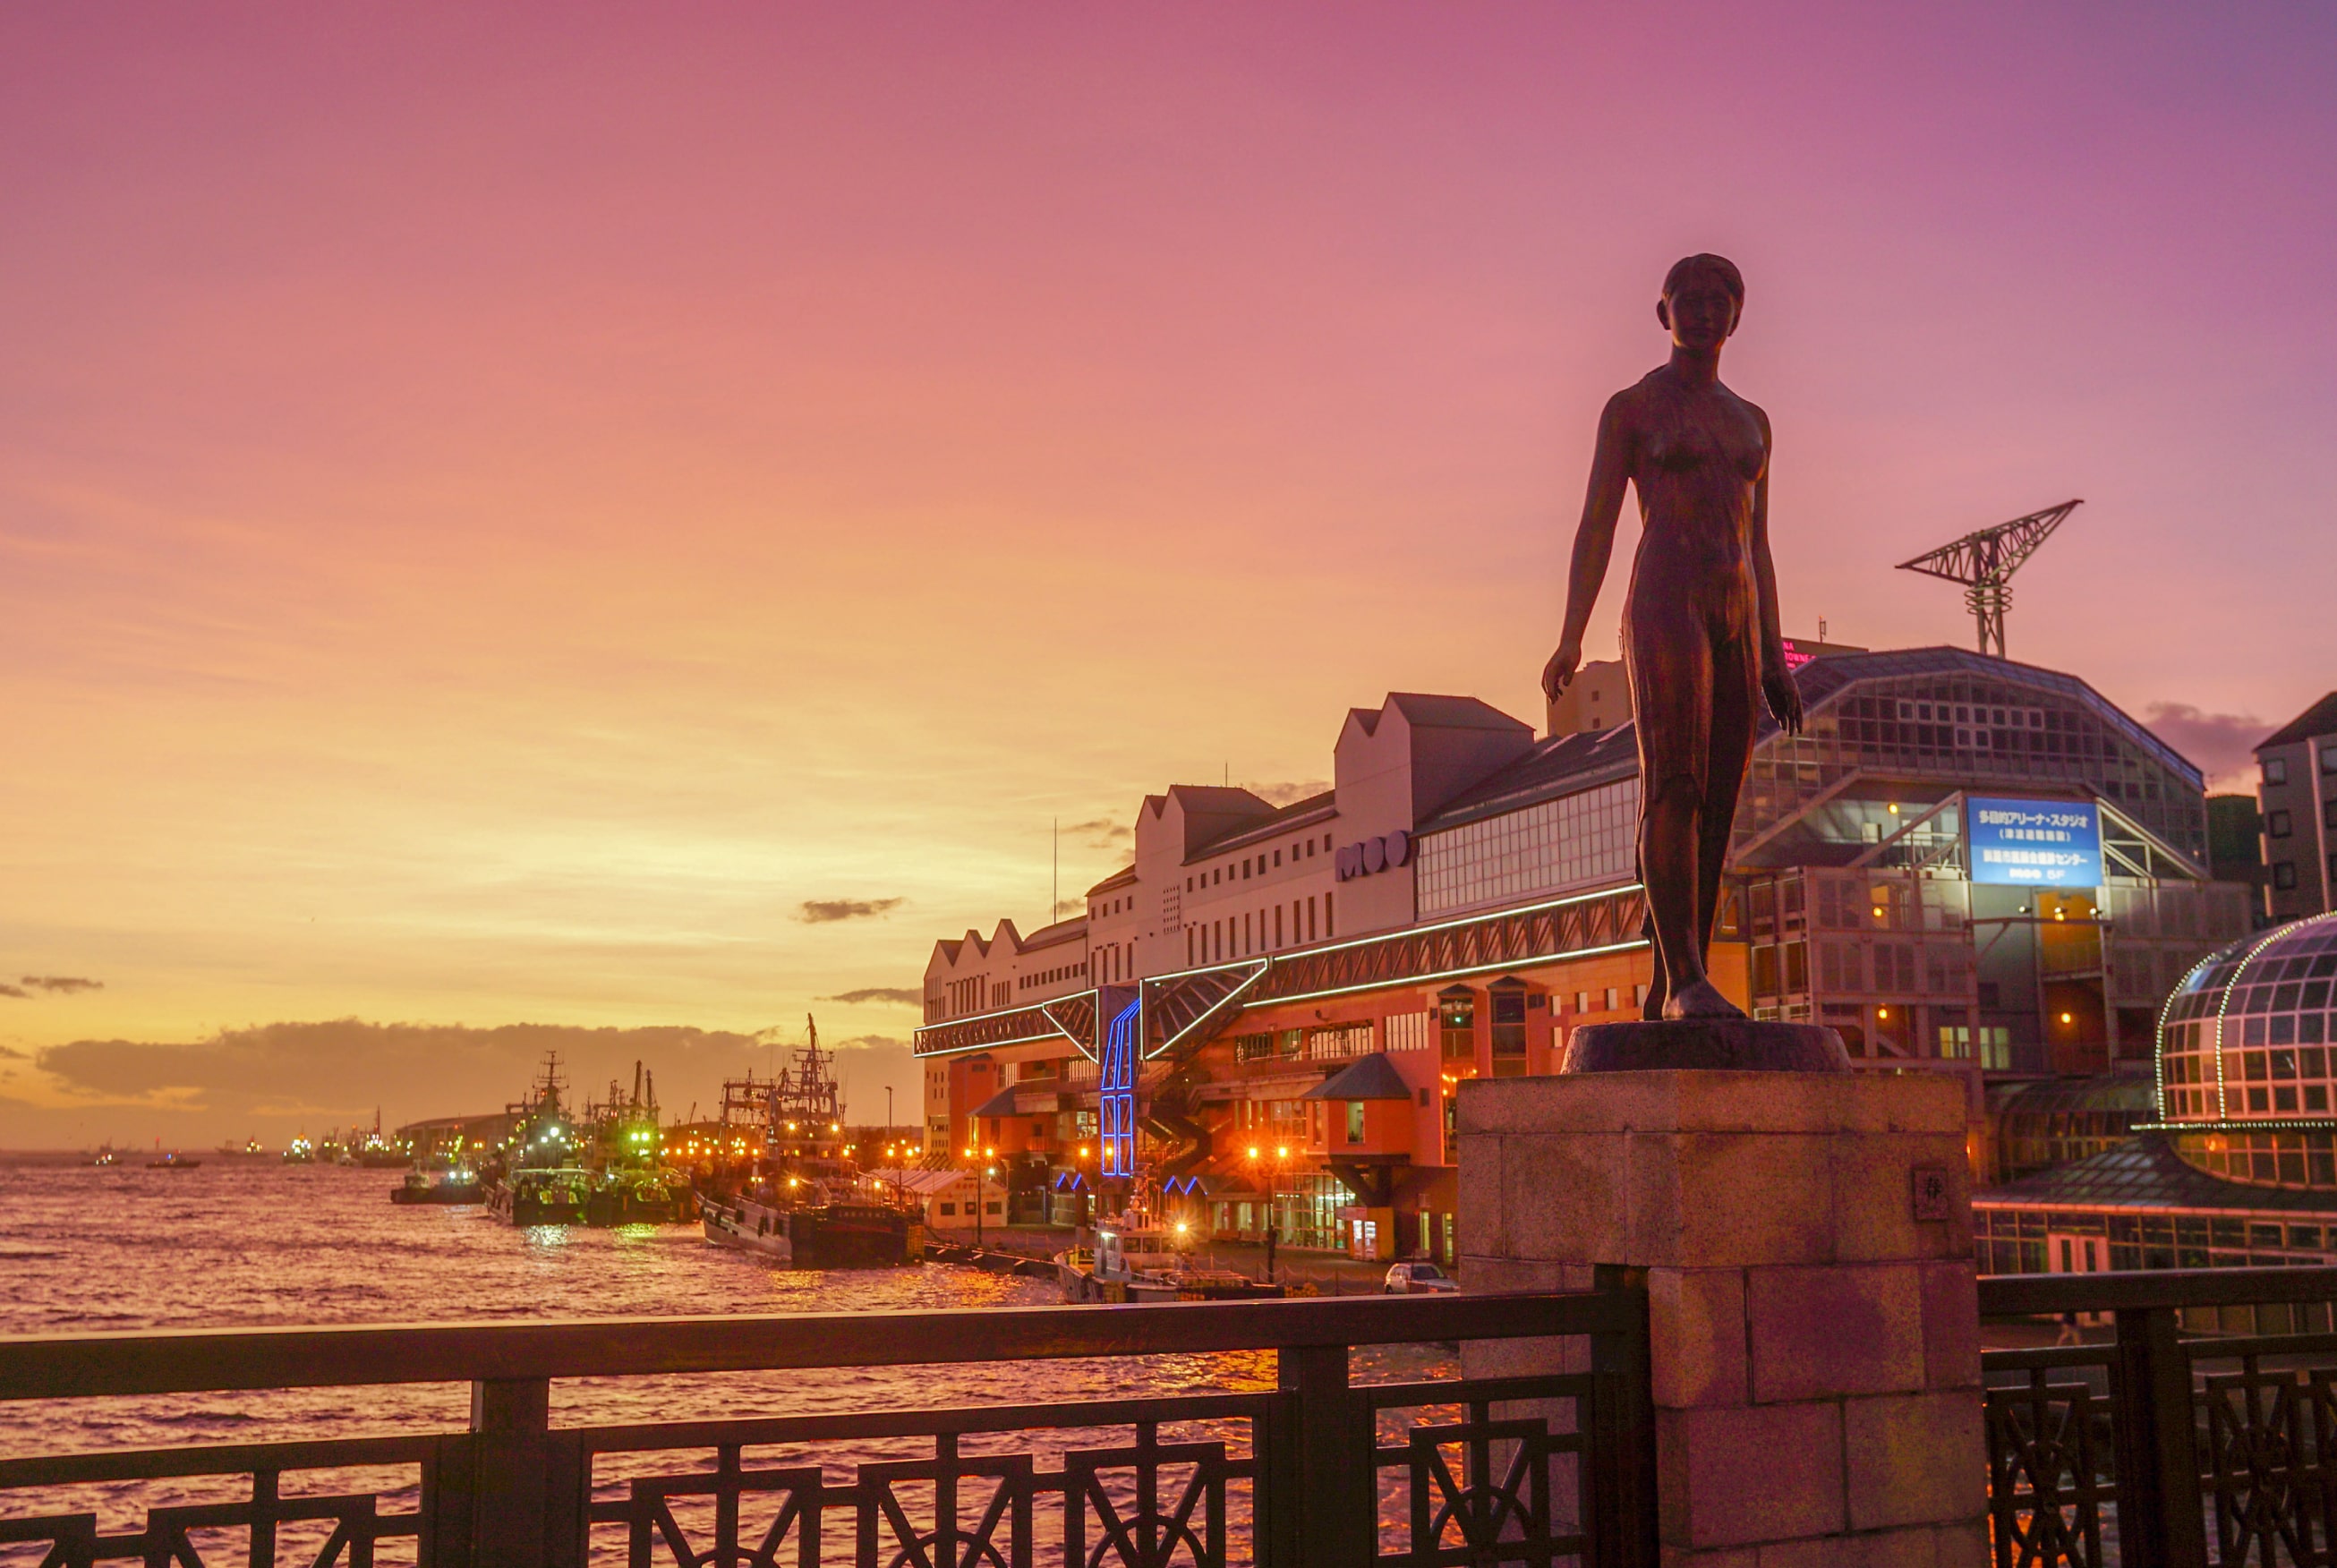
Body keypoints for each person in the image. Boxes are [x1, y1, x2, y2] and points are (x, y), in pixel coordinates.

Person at [1542, 254, 1803, 1020]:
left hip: (1737, 604)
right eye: (1684, 300)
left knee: (1720, 798)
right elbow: (1597, 523)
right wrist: (1569, 635)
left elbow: (1760, 542)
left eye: (1716, 300)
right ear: (1662, 314)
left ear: (1736, 315)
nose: (1700, 311)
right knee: (1676, 784)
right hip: (1664, 599)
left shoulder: (1753, 420)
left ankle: (1669, 981)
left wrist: (1773, 652)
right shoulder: (1631, 407)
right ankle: (1687, 976)